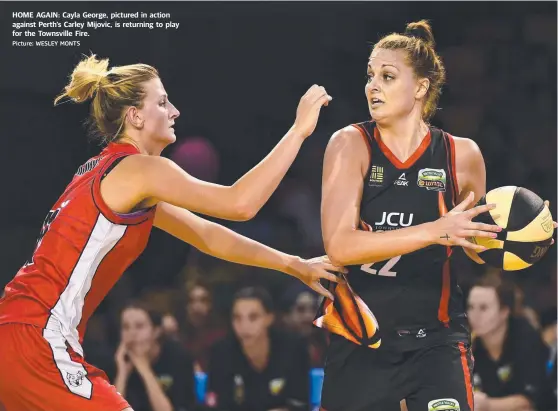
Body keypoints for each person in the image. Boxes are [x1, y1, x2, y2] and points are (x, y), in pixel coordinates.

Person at [0, 54, 344, 411]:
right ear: (134, 116)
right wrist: (299, 130)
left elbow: (208, 236)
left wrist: (293, 264)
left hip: (18, 331)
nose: (175, 111)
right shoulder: (139, 169)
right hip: (38, 336)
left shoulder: (113, 174)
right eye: (162, 102)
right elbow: (241, 203)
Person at [315, 20, 556, 411]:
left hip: (438, 342)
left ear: (421, 87)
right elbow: (340, 247)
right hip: (362, 340)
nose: (372, 86)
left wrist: (526, 237)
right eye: (370, 75)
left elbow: (475, 246)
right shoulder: (350, 144)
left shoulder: (462, 155)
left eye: (388, 76)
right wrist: (433, 230)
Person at [206, 286, 310, 411]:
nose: (244, 326)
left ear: (269, 318)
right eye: (237, 318)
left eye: (253, 317)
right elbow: (215, 405)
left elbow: (301, 402)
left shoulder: (294, 349)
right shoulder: (220, 353)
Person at [467, 275, 552, 411]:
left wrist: (487, 405)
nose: (474, 316)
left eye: (483, 308)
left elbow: (527, 402)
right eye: (471, 307)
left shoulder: (526, 338)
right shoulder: (469, 346)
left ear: (504, 311)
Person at [115, 301, 195, 411]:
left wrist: (144, 368)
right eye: (126, 327)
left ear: (156, 331)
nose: (132, 333)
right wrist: (122, 374)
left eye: (139, 326)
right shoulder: (119, 360)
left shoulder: (178, 358)